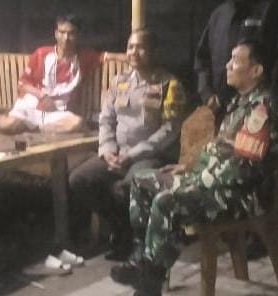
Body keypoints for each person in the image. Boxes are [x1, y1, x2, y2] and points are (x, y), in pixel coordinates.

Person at [113, 40, 278, 295]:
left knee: (166, 201)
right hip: (214, 184)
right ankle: (142, 259)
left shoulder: (262, 108)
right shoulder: (240, 102)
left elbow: (243, 168)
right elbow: (221, 151)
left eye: (235, 61)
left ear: (256, 71)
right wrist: (189, 169)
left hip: (240, 196)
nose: (227, 65)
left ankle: (150, 279)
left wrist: (197, 179)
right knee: (142, 181)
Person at [68, 29, 188, 260]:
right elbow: (106, 119)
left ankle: (136, 241)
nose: (134, 52)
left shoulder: (169, 85)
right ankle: (120, 228)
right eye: (131, 46)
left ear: (153, 51)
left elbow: (169, 130)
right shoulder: (119, 81)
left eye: (140, 47)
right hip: (117, 153)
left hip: (151, 156)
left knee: (126, 187)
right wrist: (107, 150)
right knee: (79, 179)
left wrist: (132, 155)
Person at [0, 14, 124, 134]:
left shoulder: (83, 57)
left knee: (77, 123)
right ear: (56, 34)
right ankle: (1, 118)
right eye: (62, 32)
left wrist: (130, 56)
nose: (66, 38)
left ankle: (35, 127)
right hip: (33, 105)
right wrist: (41, 96)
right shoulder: (41, 54)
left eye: (71, 33)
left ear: (77, 35)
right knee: (7, 126)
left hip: (57, 113)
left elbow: (108, 56)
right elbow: (22, 84)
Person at [194, 0, 276, 118]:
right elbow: (202, 58)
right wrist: (206, 93)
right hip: (220, 107)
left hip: (256, 105)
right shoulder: (218, 15)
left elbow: (276, 56)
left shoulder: (267, 10)